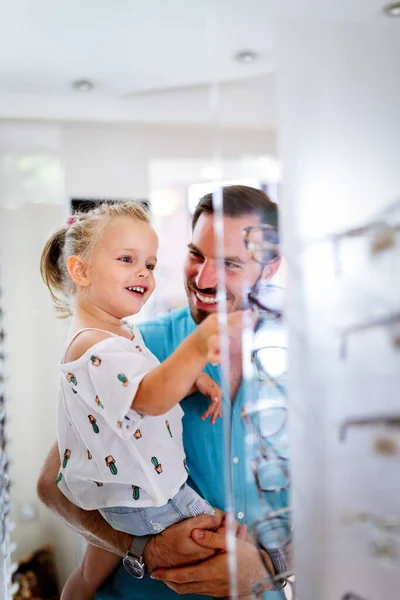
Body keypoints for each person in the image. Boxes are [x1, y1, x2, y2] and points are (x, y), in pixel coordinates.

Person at [37, 185, 287, 600]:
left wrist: (269, 570)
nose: (204, 278)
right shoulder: (137, 345)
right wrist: (143, 550)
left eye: (228, 263)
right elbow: (53, 483)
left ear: (271, 267)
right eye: (196, 255)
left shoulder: (314, 368)